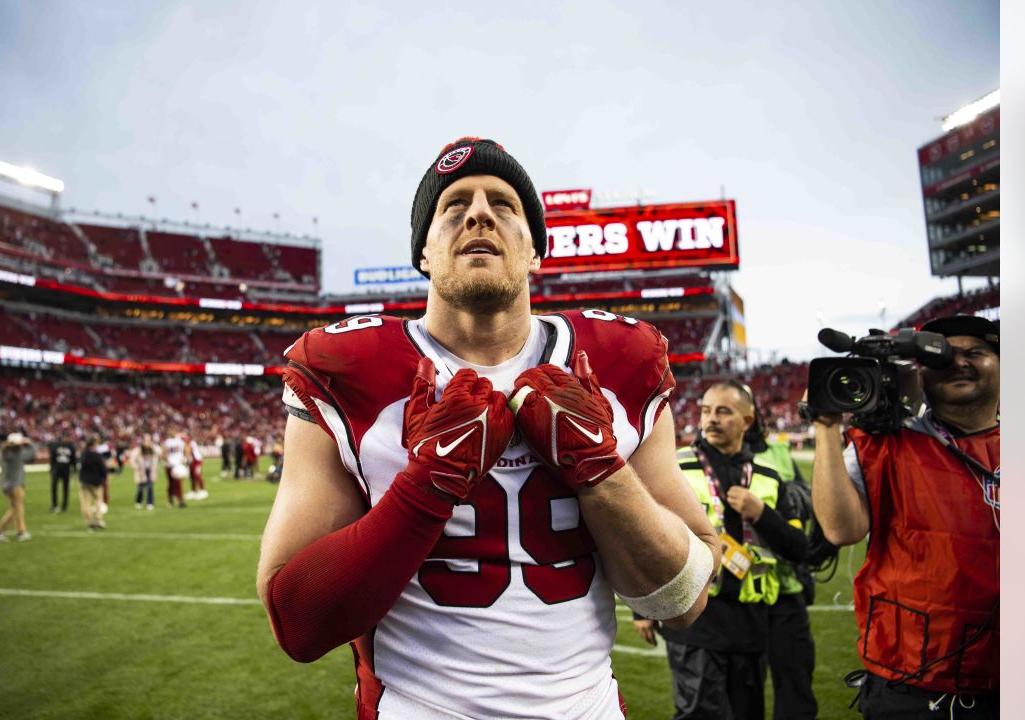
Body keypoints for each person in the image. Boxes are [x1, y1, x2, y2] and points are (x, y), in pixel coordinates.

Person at [257, 137, 720, 719]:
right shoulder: (347, 368)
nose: (477, 213)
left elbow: (683, 602)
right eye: (452, 206)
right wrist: (427, 486)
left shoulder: (617, 359)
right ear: (423, 252)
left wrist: (604, 474)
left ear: (534, 250)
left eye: (504, 204)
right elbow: (299, 622)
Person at [809, 315, 1000, 718]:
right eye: (946, 356)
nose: (960, 363)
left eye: (976, 353)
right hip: (909, 680)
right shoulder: (882, 445)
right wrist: (827, 428)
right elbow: (841, 529)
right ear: (921, 375)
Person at [634, 380, 808, 720]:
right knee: (700, 714)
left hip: (752, 622)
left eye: (723, 411)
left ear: (747, 421)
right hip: (694, 618)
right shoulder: (675, 468)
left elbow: (799, 549)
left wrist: (762, 515)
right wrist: (643, 609)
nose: (711, 419)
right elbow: (644, 538)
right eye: (706, 411)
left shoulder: (769, 477)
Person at [746, 398, 818, 720]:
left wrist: (790, 504)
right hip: (740, 596)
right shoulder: (705, 460)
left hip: (787, 587)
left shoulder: (777, 453)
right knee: (744, 693)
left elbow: (806, 498)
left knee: (795, 684)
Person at [0, 432, 35, 542]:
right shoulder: (17, 453)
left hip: (6, 484)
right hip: (16, 484)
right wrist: (28, 442)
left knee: (15, 508)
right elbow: (32, 453)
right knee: (17, 509)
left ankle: (19, 531)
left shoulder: (5, 451)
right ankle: (2, 531)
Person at [78, 437, 115, 532]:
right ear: (94, 444)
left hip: (84, 481)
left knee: (85, 503)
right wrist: (104, 478)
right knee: (98, 500)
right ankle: (99, 519)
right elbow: (103, 470)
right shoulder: (97, 456)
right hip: (96, 482)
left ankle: (89, 523)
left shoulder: (83, 455)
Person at [47, 433, 77, 514]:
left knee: (66, 488)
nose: (68, 439)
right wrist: (51, 469)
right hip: (57, 469)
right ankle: (54, 505)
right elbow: (52, 458)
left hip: (66, 470)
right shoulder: (56, 445)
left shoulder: (71, 447)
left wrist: (74, 470)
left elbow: (73, 460)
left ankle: (64, 506)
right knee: (54, 487)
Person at [131, 434, 160, 510]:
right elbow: (132, 461)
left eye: (149, 441)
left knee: (150, 487)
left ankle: (150, 503)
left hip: (150, 471)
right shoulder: (138, 450)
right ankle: (138, 501)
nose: (147, 443)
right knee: (140, 488)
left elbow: (159, 453)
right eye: (145, 441)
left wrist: (152, 446)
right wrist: (137, 467)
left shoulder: (153, 450)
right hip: (141, 471)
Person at [163, 428, 189, 508]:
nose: (172, 433)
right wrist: (168, 460)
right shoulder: (167, 442)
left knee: (178, 484)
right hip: (170, 465)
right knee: (171, 484)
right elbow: (163, 454)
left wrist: (185, 458)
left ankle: (180, 500)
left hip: (178, 465)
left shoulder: (180, 441)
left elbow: (187, 449)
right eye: (171, 431)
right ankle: (171, 499)